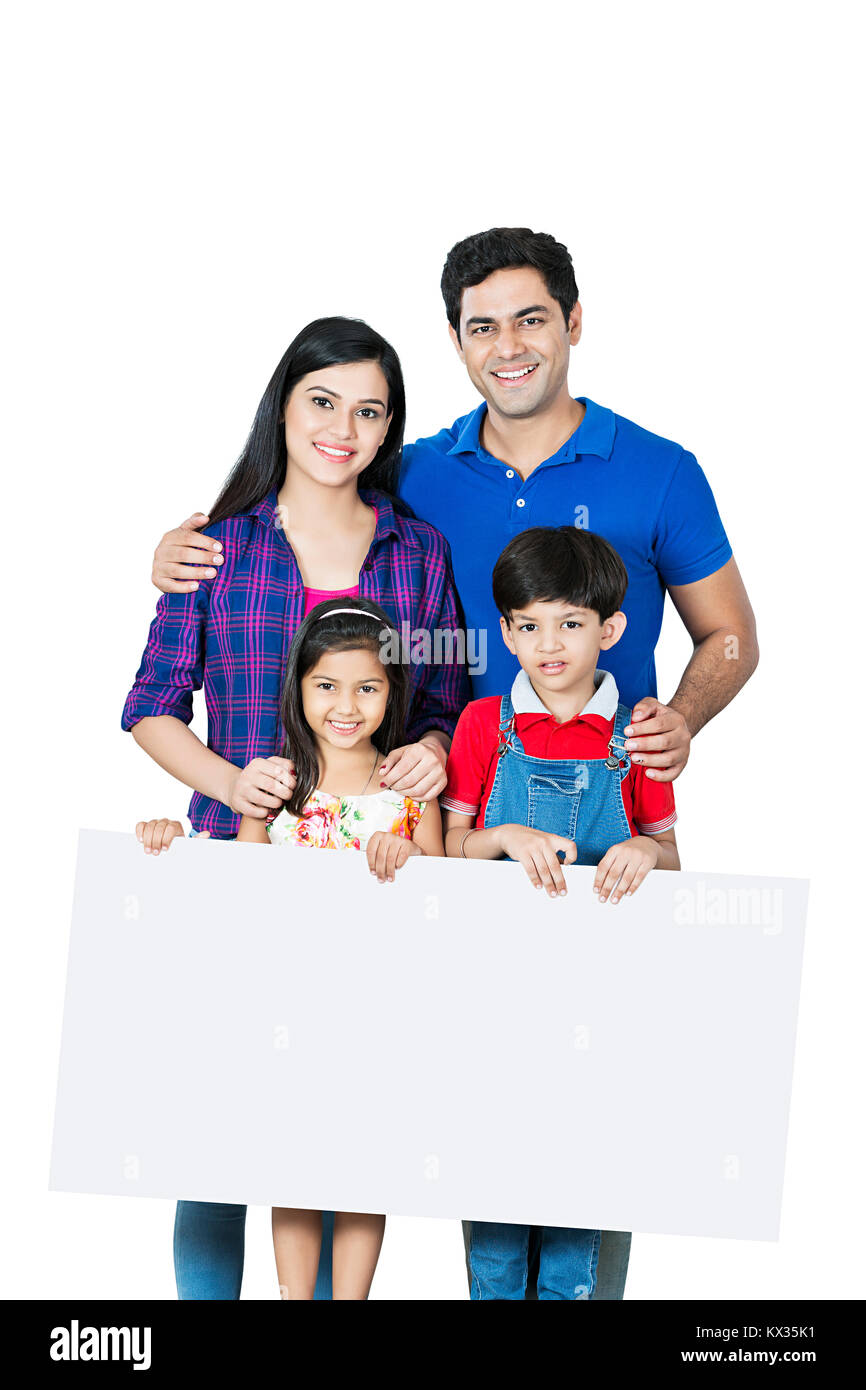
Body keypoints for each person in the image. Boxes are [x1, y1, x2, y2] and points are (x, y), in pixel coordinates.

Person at [146, 227, 759, 1299]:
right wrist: (178, 554)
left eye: (531, 318)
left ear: (573, 322)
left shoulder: (654, 472)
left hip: (528, 828)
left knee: (578, 1136)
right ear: (456, 342)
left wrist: (679, 724)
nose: (508, 345)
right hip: (417, 836)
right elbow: (389, 649)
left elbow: (727, 637)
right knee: (314, 1132)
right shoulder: (418, 477)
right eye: (483, 326)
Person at [121, 317, 470, 1299]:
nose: (342, 427)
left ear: (387, 426)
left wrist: (429, 753)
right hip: (242, 870)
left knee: (351, 1131)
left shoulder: (417, 551)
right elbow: (150, 706)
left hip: (375, 885)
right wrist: (228, 783)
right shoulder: (214, 549)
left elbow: (442, 701)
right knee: (219, 1136)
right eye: (323, 401)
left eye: (369, 409)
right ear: (285, 404)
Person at [136, 599, 444, 1299]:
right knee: (293, 1164)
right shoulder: (273, 788)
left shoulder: (410, 793)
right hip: (286, 1015)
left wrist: (411, 857)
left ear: (392, 692)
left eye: (368, 687)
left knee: (367, 1166)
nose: (347, 705)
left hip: (378, 1016)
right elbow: (241, 899)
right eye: (327, 686)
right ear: (299, 689)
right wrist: (171, 848)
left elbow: (442, 910)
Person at [441, 526, 679, 1298]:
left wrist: (646, 853)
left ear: (611, 629)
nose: (550, 644)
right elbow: (449, 850)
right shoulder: (483, 725)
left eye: (571, 623)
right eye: (529, 624)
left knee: (581, 1191)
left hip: (601, 1005)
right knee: (497, 1198)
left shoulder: (637, 732)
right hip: (492, 998)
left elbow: (673, 861)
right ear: (505, 630)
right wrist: (501, 836)